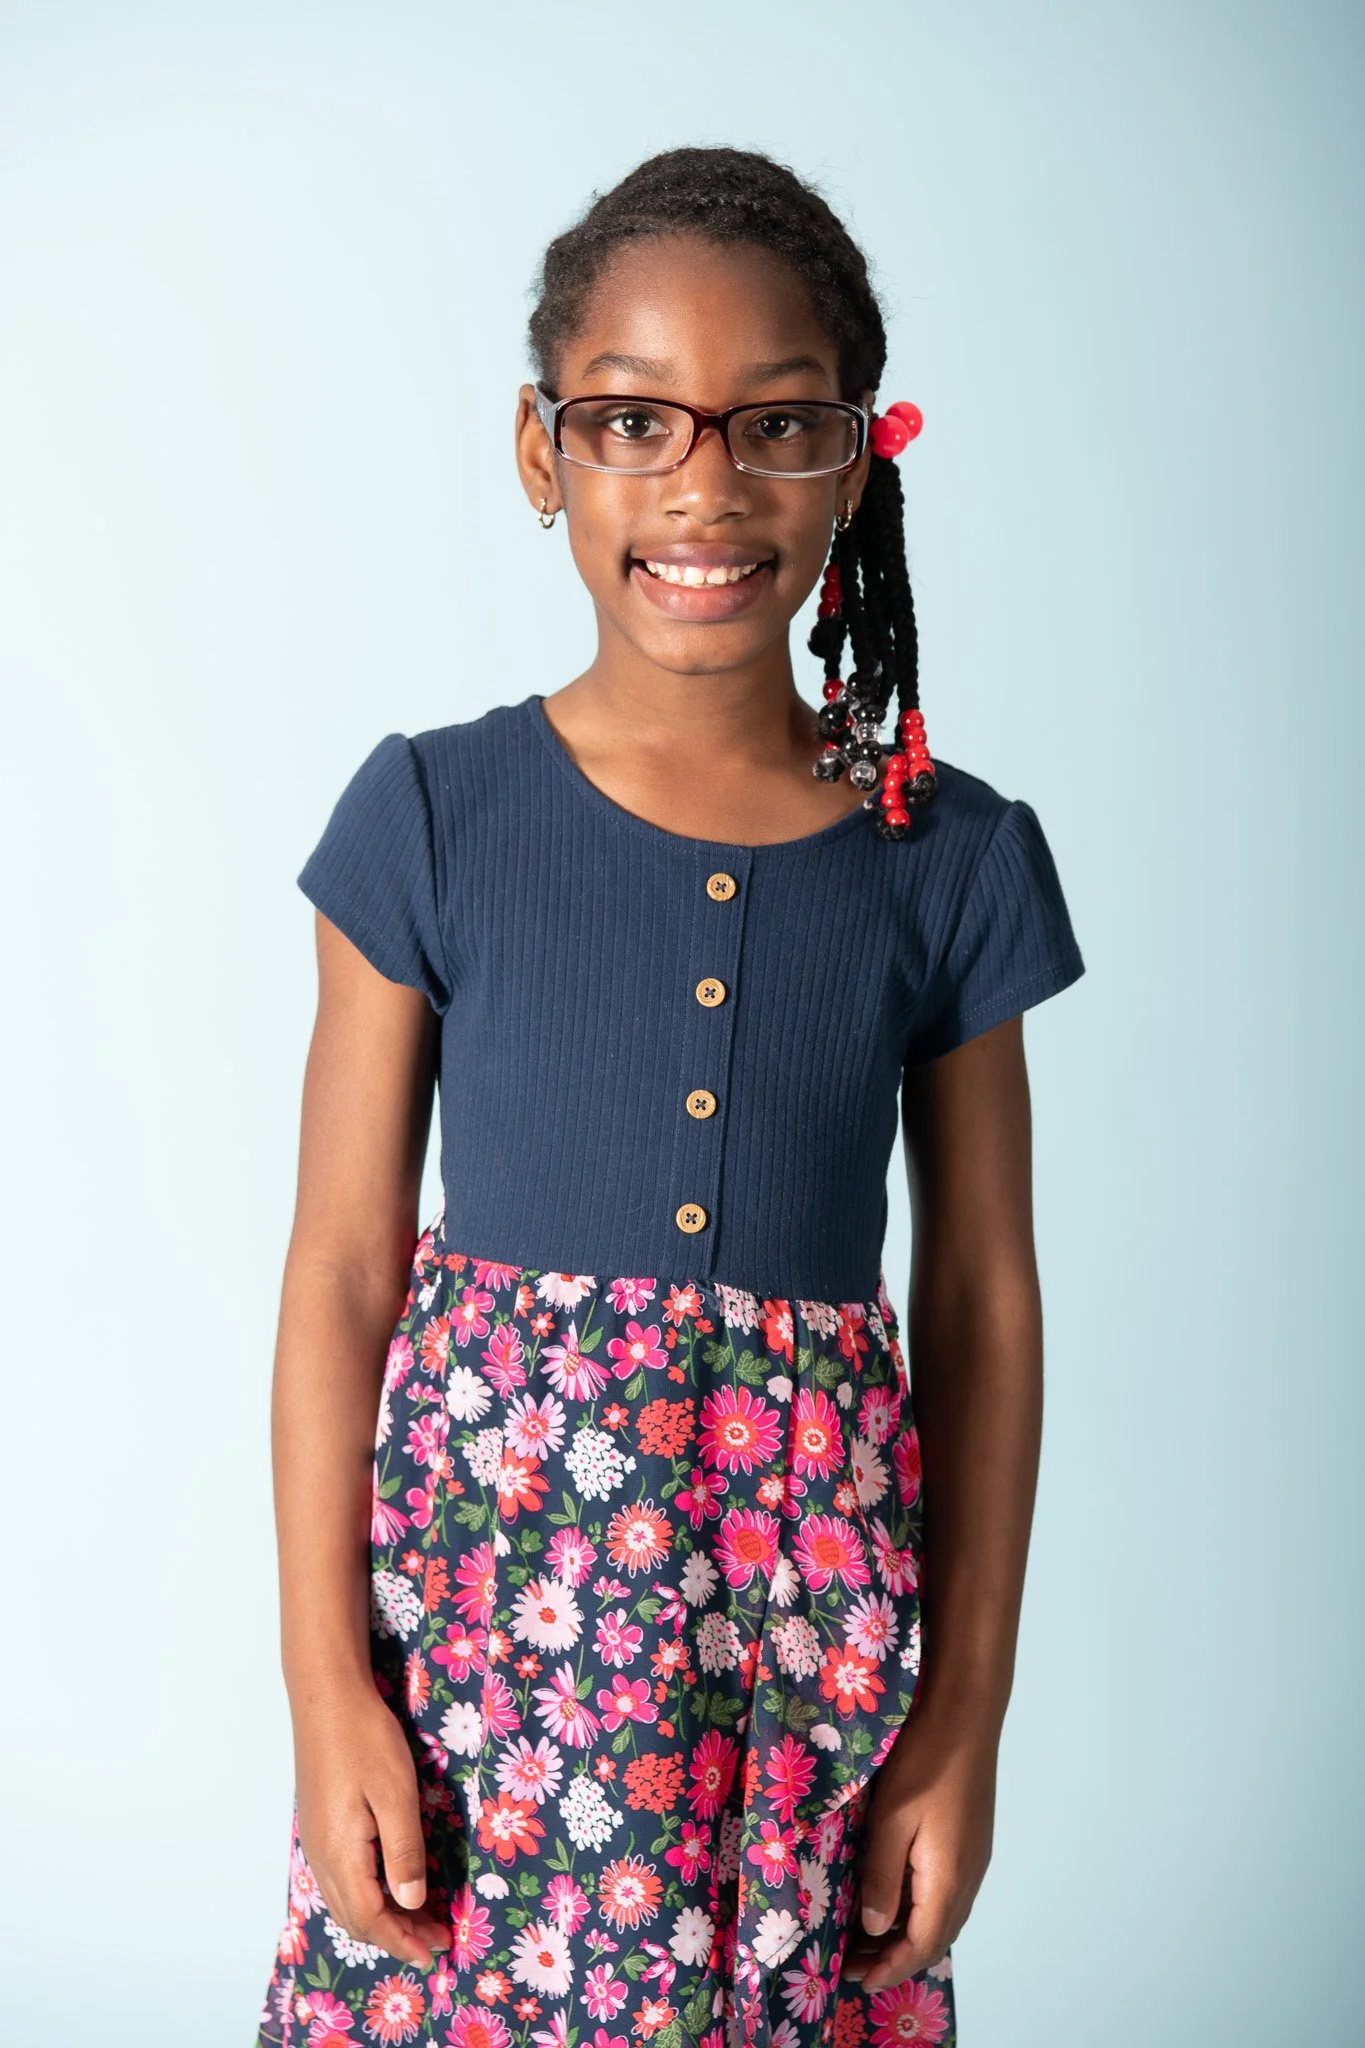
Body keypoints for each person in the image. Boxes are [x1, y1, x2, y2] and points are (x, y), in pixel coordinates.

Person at [256, 145, 1085, 2048]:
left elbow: (979, 1302)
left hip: (813, 1653)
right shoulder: (432, 817)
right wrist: (326, 1695)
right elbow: (337, 1281)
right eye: (634, 421)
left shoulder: (948, 856)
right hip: (488, 1648)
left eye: (775, 425)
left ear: (859, 455)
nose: (705, 485)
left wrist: (962, 1724)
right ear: (544, 451)